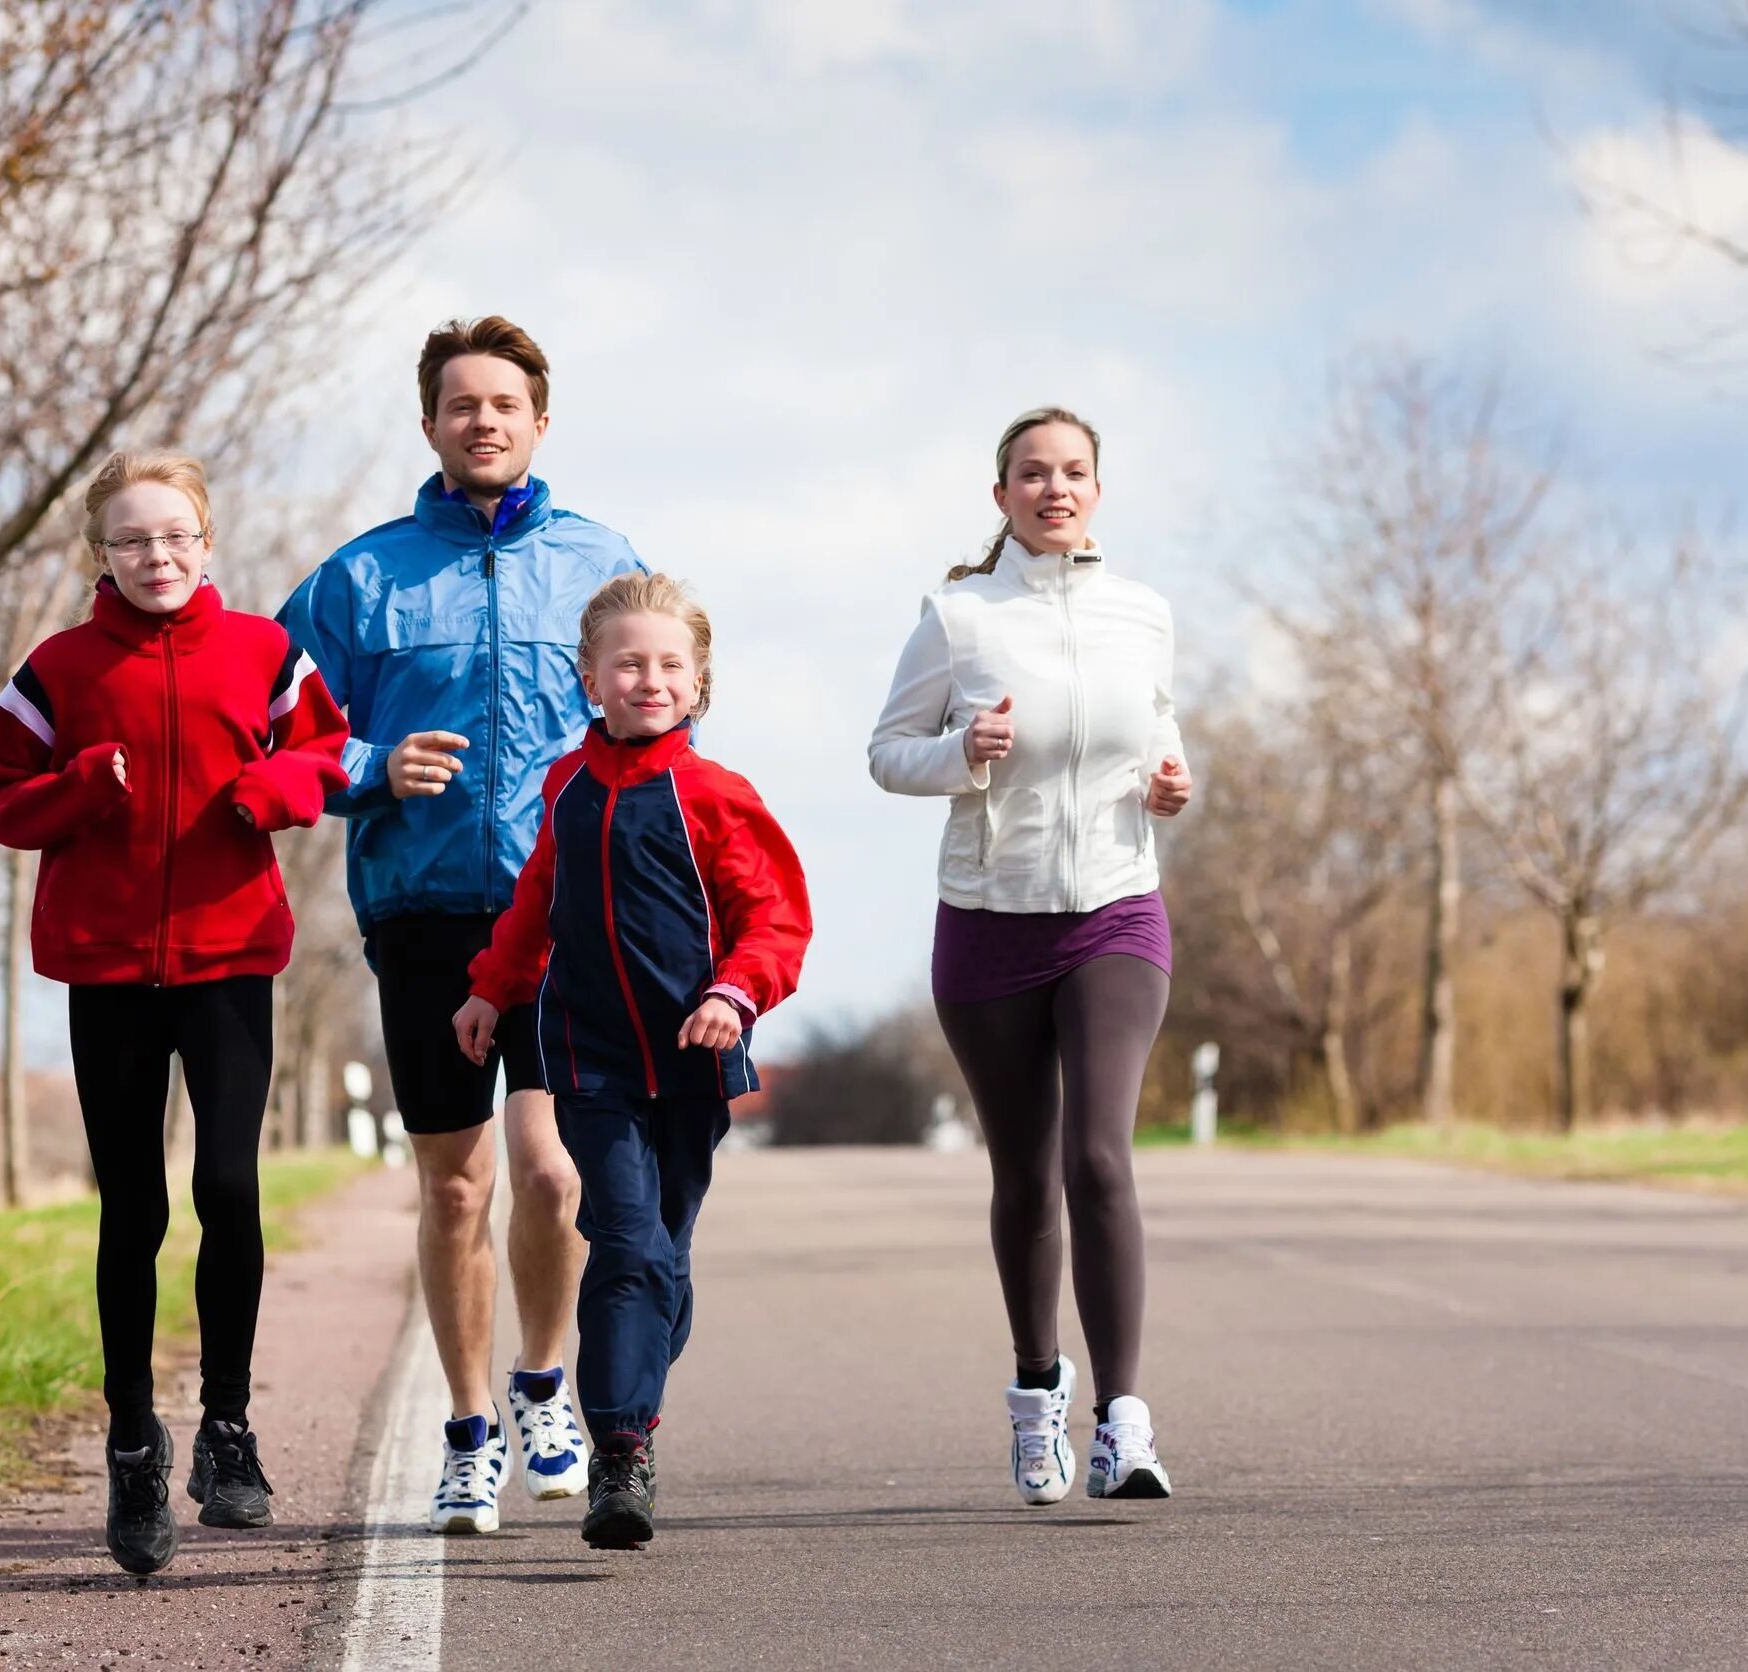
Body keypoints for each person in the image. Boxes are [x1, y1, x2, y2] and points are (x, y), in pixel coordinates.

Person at [281, 317, 644, 1532]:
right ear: (428, 424)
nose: (482, 420)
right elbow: (272, 738)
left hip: (567, 908)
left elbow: (658, 708)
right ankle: (469, 1426)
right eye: (459, 403)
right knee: (453, 1188)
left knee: (550, 1172)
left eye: (504, 403)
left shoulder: (603, 560)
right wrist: (373, 763)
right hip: (424, 909)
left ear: (540, 422)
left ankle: (546, 1385)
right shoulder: (358, 579)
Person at [0, 450, 349, 1575]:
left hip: (231, 956)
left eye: (177, 535)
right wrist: (84, 784)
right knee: (131, 1208)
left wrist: (273, 791)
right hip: (108, 969)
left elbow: (322, 748)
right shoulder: (57, 668)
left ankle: (227, 1428)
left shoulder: (265, 651)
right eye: (134, 540)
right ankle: (133, 1440)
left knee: (227, 1187)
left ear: (207, 540)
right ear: (102, 554)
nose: (158, 556)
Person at [866, 406, 1194, 1508]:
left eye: (1074, 473)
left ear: (1098, 489)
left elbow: (1160, 732)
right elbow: (885, 754)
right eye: (1032, 474)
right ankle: (1035, 1390)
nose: (1055, 489)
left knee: (1098, 1157)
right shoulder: (959, 618)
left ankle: (1126, 1421)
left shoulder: (1142, 614)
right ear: (1001, 494)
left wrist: (1171, 785)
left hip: (1116, 909)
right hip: (991, 919)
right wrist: (961, 753)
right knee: (1026, 1174)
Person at [454, 571, 810, 1549]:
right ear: (590, 677)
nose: (647, 680)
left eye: (668, 665)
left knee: (667, 1256)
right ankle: (621, 1449)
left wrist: (734, 995)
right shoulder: (565, 784)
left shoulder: (717, 795)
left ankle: (632, 1411)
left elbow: (773, 919)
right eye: (627, 663)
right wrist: (494, 983)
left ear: (698, 682)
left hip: (693, 1059)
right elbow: (537, 898)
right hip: (589, 1053)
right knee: (624, 1241)